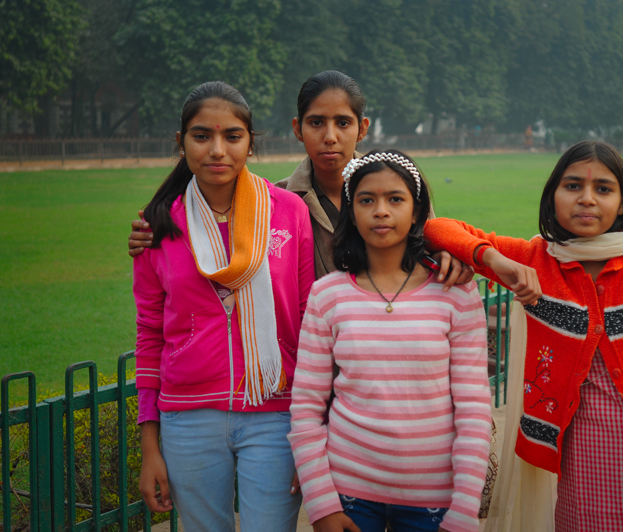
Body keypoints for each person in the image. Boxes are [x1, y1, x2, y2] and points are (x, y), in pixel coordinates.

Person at [423, 140, 623, 532]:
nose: (586, 199)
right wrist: (495, 259)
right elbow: (436, 228)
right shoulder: (538, 261)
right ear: (553, 195)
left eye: (603, 189)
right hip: (583, 469)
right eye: (572, 186)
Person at [133, 81, 314, 532]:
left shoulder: (288, 213)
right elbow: (150, 334)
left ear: (251, 143)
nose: (217, 149)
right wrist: (150, 446)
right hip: (188, 418)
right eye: (201, 136)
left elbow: (311, 324)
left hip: (277, 414)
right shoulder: (157, 223)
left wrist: (314, 434)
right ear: (181, 143)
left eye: (232, 136)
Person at [288, 150, 492, 532]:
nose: (381, 210)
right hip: (349, 496)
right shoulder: (326, 295)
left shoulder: (456, 294)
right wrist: (321, 505)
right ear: (351, 211)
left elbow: (474, 411)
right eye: (367, 200)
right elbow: (306, 406)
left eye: (395, 199)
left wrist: (464, 511)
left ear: (417, 211)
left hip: (435, 499)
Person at [127, 70, 472, 287]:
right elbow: (215, 223)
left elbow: (426, 240)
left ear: (362, 129)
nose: (330, 136)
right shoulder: (278, 202)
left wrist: (450, 255)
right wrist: (156, 226)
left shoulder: (399, 189)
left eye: (343, 123)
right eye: (316, 122)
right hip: (315, 359)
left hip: (388, 340)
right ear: (297, 129)